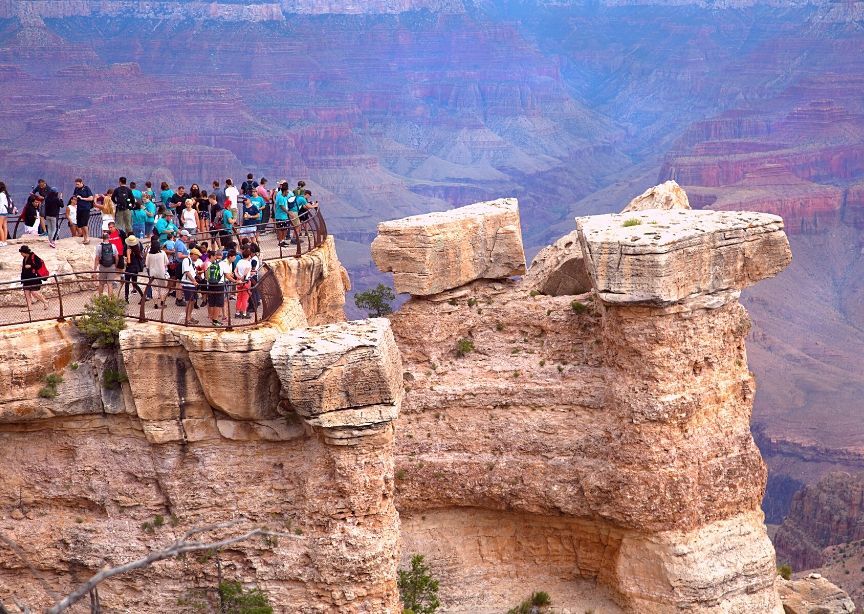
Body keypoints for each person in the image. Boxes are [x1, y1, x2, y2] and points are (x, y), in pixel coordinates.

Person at [19, 245, 49, 312]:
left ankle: (45, 301)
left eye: (21, 253)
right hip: (26, 278)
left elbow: (39, 265)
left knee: (34, 292)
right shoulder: (25, 258)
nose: (21, 254)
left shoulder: (33, 256)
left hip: (34, 278)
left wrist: (31, 266)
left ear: (25, 252)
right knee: (27, 293)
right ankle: (29, 308)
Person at [145, 236, 169, 309]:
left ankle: (155, 304)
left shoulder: (149, 254)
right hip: (161, 272)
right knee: (162, 288)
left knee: (154, 289)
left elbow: (147, 265)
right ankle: (162, 302)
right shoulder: (162, 253)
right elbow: (167, 262)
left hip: (153, 273)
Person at [93, 231, 119, 296]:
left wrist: (95, 269)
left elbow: (97, 258)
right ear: (109, 237)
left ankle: (101, 300)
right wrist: (115, 265)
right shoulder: (113, 246)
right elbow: (117, 257)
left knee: (101, 283)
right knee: (110, 284)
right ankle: (110, 300)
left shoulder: (99, 246)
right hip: (111, 266)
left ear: (102, 238)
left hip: (102, 267)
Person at [204, 250, 226, 325]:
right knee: (218, 304)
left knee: (212, 303)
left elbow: (206, 275)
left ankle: (212, 318)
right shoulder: (223, 263)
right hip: (219, 285)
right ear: (222, 255)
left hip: (210, 285)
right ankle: (215, 320)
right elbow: (227, 275)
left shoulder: (211, 263)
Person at [180, 248, 201, 324]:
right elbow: (187, 272)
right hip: (187, 284)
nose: (198, 257)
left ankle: (189, 316)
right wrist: (193, 281)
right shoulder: (186, 260)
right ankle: (187, 318)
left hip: (192, 284)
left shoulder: (192, 262)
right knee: (189, 301)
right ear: (193, 255)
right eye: (197, 256)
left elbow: (192, 272)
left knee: (193, 301)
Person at [123, 235, 146, 303]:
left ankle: (126, 299)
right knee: (134, 283)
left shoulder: (129, 250)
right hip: (136, 268)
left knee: (127, 283)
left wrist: (127, 257)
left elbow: (129, 261)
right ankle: (143, 296)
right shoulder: (137, 249)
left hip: (130, 268)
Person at [73, 178, 94, 244]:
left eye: (78, 184)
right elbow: (74, 196)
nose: (77, 185)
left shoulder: (86, 188)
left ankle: (87, 238)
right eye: (76, 184)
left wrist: (82, 198)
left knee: (85, 224)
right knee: (81, 224)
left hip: (85, 208)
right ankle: (84, 238)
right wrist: (76, 198)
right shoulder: (76, 189)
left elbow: (91, 198)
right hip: (79, 208)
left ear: (81, 182)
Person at [233, 248, 253, 319]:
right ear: (249, 256)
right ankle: (244, 313)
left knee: (239, 297)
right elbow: (246, 271)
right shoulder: (248, 263)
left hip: (239, 281)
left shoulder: (239, 261)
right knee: (245, 298)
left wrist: (239, 277)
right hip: (245, 281)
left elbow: (235, 271)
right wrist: (243, 277)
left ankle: (237, 312)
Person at [0, 181, 12, 246]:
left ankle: (2, 241)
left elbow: (1, 204)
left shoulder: (1, 194)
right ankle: (5, 240)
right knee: (5, 226)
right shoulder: (5, 194)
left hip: (1, 212)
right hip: (6, 212)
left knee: (0, 226)